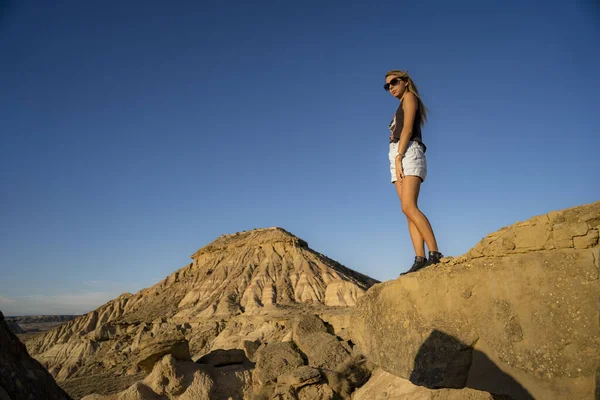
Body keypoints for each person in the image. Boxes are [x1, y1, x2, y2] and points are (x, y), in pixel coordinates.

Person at [384, 70, 442, 275]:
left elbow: (407, 128)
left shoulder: (409, 97)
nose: (391, 87)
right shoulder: (399, 104)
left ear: (406, 82)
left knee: (409, 206)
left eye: (394, 82)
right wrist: (395, 157)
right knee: (406, 211)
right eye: (387, 85)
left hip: (407, 151)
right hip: (397, 153)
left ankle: (435, 253)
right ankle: (420, 258)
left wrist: (399, 156)